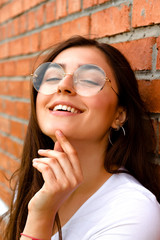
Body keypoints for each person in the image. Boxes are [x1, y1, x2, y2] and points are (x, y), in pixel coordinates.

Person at [2, 35, 160, 240]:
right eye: (51, 77)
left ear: (119, 115)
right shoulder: (35, 184)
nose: (64, 85)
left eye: (88, 80)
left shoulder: (135, 213)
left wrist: (41, 215)